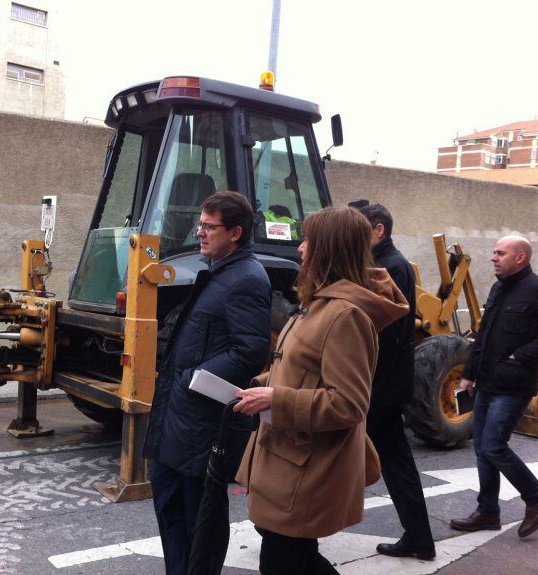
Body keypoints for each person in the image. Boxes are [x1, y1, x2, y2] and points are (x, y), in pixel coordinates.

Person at [234, 206, 409, 575]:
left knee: (283, 562)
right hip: (287, 458)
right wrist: (261, 386)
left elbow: (348, 404)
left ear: (329, 248)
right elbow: (304, 373)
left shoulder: (345, 316)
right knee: (290, 558)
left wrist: (277, 399)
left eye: (309, 240)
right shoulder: (316, 305)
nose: (300, 248)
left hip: (306, 468)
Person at [143, 191, 272, 575]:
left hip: (203, 423)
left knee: (200, 522)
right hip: (180, 421)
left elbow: (250, 350)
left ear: (234, 233)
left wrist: (189, 380)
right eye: (200, 225)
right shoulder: (219, 272)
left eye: (208, 226)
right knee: (171, 510)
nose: (200, 233)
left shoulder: (246, 279)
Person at [450, 235, 538, 537]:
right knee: (481, 448)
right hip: (486, 381)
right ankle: (488, 512)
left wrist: (521, 355)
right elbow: (484, 336)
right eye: (493, 252)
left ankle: (537, 498)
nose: (493, 257)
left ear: (520, 258)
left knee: (493, 445)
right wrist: (469, 373)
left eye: (500, 253)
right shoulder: (498, 288)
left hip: (513, 385)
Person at [357, 202, 436, 560]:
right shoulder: (389, 263)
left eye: (362, 229)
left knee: (395, 461)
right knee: (395, 460)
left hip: (383, 384)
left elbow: (381, 331)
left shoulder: (386, 266)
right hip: (386, 381)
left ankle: (419, 538)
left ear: (378, 231)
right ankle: (419, 537)